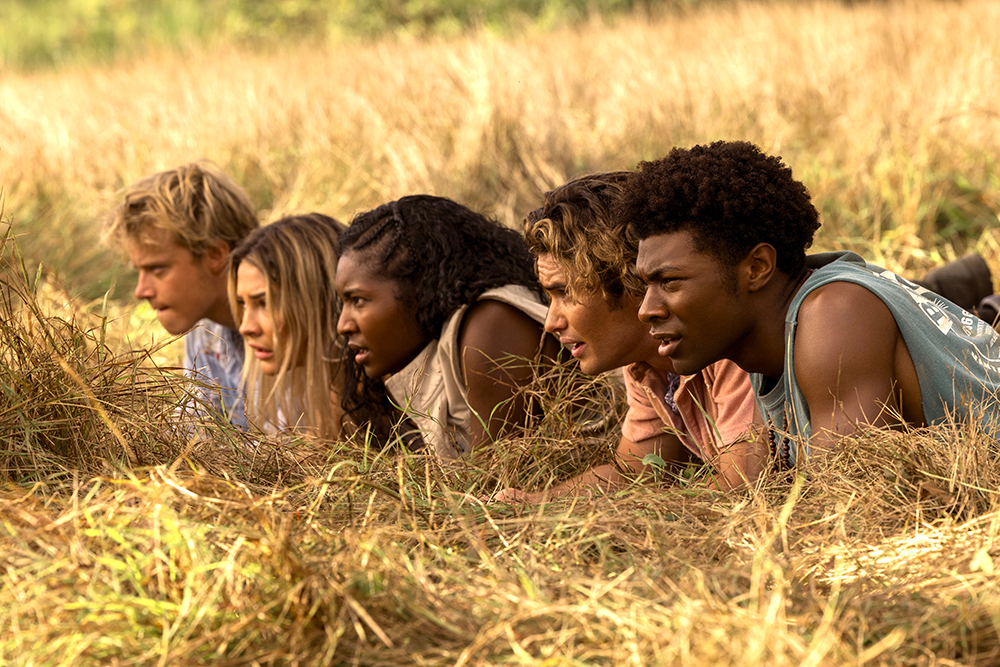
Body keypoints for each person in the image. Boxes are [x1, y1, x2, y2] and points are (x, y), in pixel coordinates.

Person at [616, 140, 1000, 466]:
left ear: (757, 268)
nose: (647, 309)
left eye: (669, 282)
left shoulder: (835, 312)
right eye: (647, 285)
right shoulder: (767, 346)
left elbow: (850, 507)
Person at [495, 172, 765, 503]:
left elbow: (739, 491)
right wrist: (536, 503)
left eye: (564, 293)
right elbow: (635, 472)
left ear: (628, 281)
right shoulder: (644, 361)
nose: (551, 322)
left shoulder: (720, 341)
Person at [335, 195, 561, 457]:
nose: (343, 325)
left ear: (419, 288)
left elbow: (497, 485)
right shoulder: (426, 353)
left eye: (358, 300)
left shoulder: (490, 328)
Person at [103, 162, 259, 428]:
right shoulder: (203, 323)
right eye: (139, 270)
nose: (141, 291)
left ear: (215, 255)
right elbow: (195, 431)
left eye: (157, 269)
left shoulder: (293, 325)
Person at [229, 213, 347, 440]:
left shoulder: (388, 401)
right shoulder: (309, 390)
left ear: (316, 298)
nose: (245, 327)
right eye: (243, 304)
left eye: (265, 303)